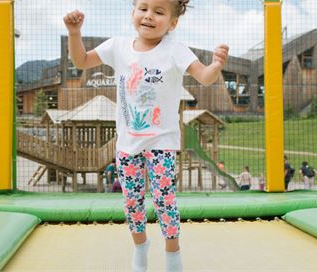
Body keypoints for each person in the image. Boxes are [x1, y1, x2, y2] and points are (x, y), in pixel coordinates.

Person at [63, 1, 229, 270]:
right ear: (133, 13)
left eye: (159, 12)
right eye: (143, 8)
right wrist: (74, 33)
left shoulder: (175, 50)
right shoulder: (118, 47)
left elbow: (205, 77)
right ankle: (140, 248)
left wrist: (216, 65)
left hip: (162, 142)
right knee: (132, 201)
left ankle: (173, 254)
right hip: (128, 144)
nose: (149, 16)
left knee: (165, 200)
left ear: (173, 23)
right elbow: (81, 60)